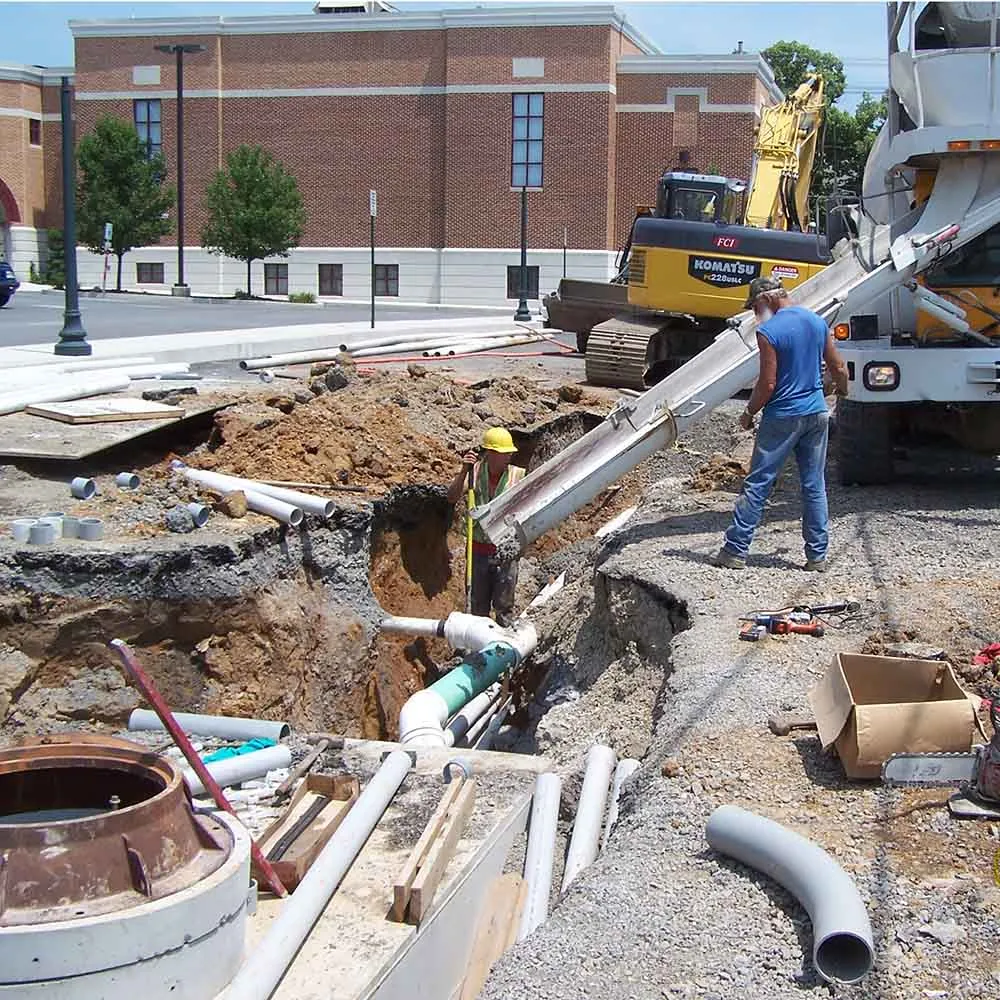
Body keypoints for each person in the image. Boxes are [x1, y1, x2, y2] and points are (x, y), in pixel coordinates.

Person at [712, 276, 849, 572]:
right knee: (814, 485)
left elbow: (768, 383)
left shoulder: (769, 331)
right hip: (816, 414)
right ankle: (817, 557)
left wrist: (749, 413)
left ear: (766, 300)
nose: (754, 314)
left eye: (754, 307)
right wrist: (841, 389)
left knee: (759, 482)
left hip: (783, 417)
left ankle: (735, 551)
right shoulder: (816, 321)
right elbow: (838, 366)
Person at [447, 426, 526, 624]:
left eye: (509, 453)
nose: (508, 457)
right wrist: (463, 470)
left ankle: (501, 645)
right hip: (477, 550)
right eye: (503, 453)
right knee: (477, 607)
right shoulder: (474, 473)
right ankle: (477, 647)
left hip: (505, 550)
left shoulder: (517, 475)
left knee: (504, 605)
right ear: (490, 453)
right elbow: (451, 497)